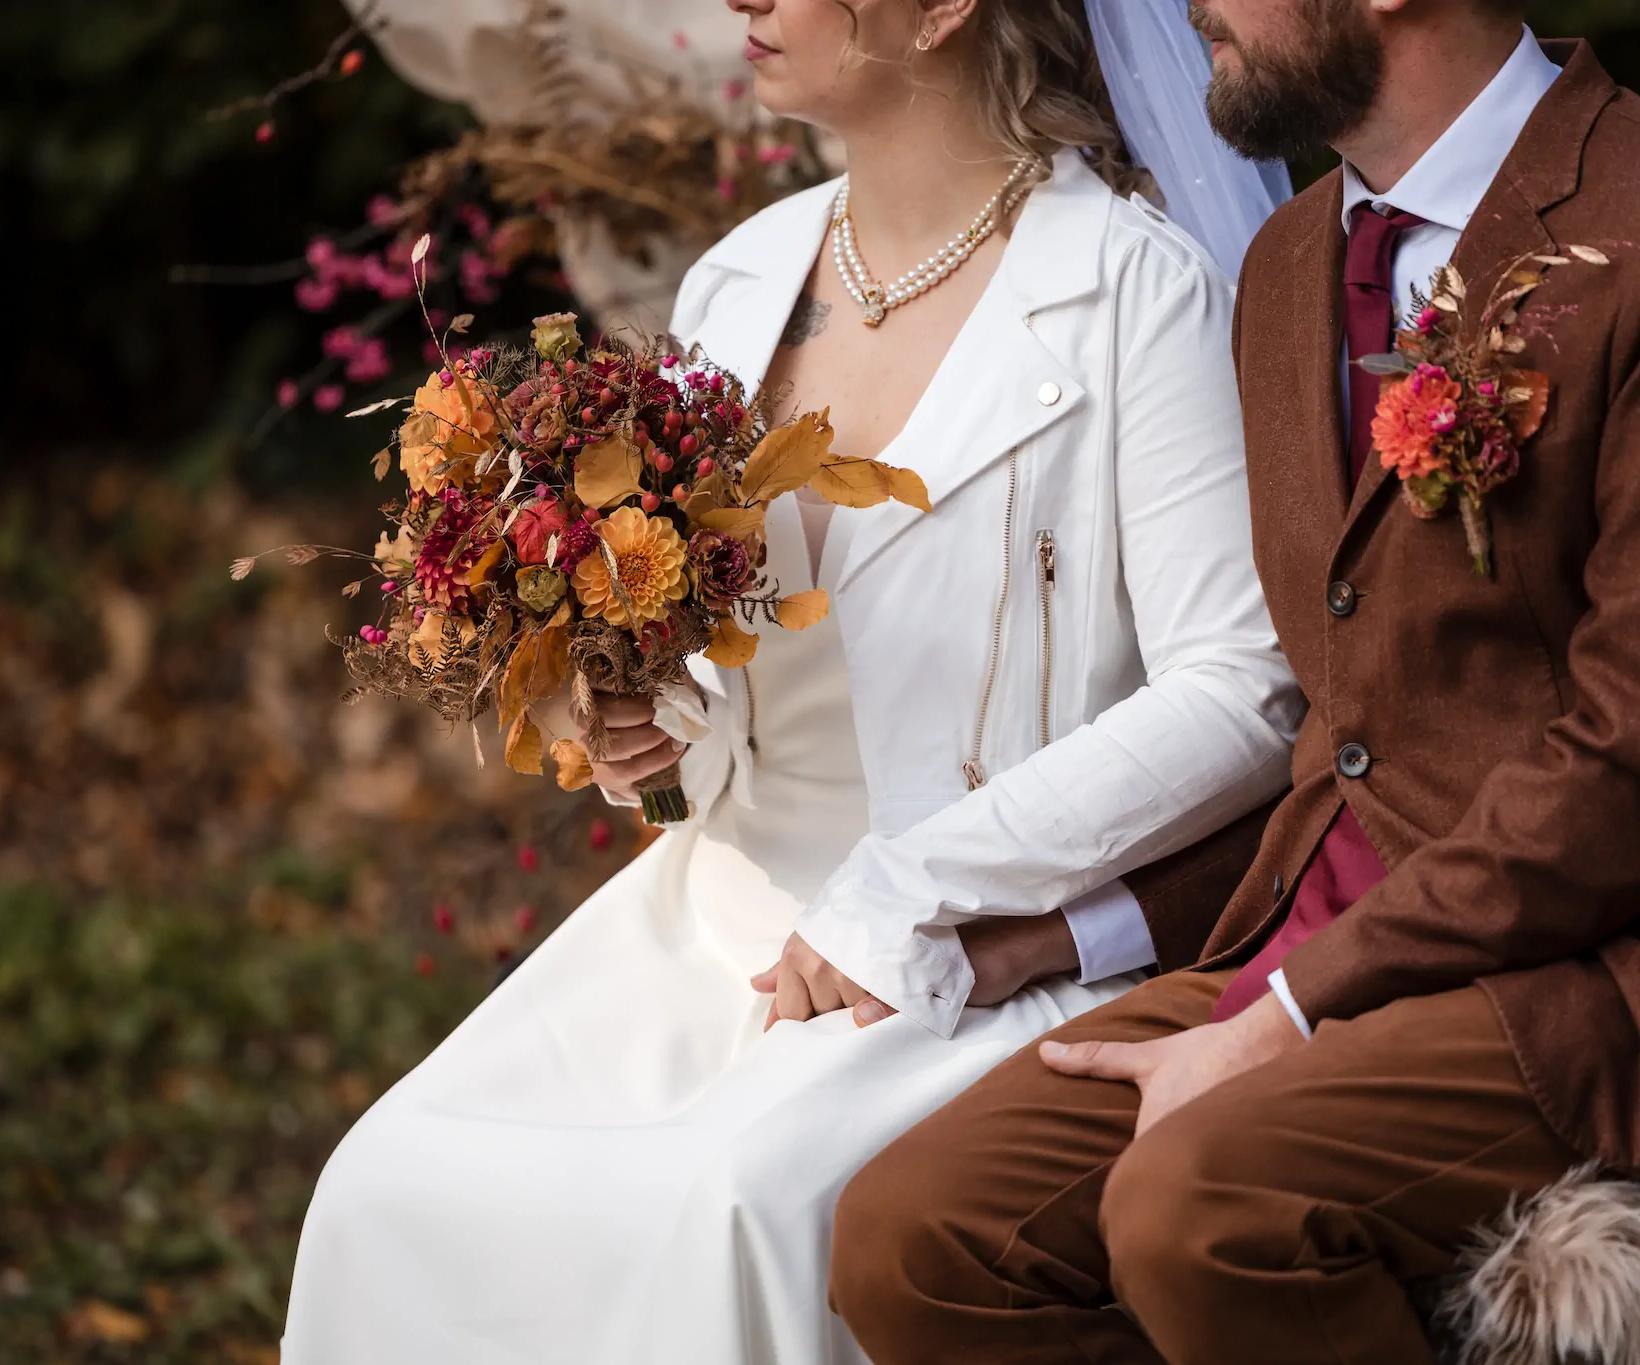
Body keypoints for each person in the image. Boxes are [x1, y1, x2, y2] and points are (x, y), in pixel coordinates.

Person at [829, 1, 1640, 1363]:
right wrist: (1080, 932)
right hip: (1354, 932)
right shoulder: (1293, 260)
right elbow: (1347, 733)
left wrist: (1294, 1014)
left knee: (1203, 1206)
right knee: (912, 1237)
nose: (1186, 10)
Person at [277, 1, 1305, 1361]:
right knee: (388, 1180)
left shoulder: (1134, 289)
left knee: (722, 1211)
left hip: (961, 955)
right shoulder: (740, 279)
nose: (743, 3)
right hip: (706, 924)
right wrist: (650, 714)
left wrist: (916, 890)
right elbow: (736, 656)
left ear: (944, 10)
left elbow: (1243, 689)